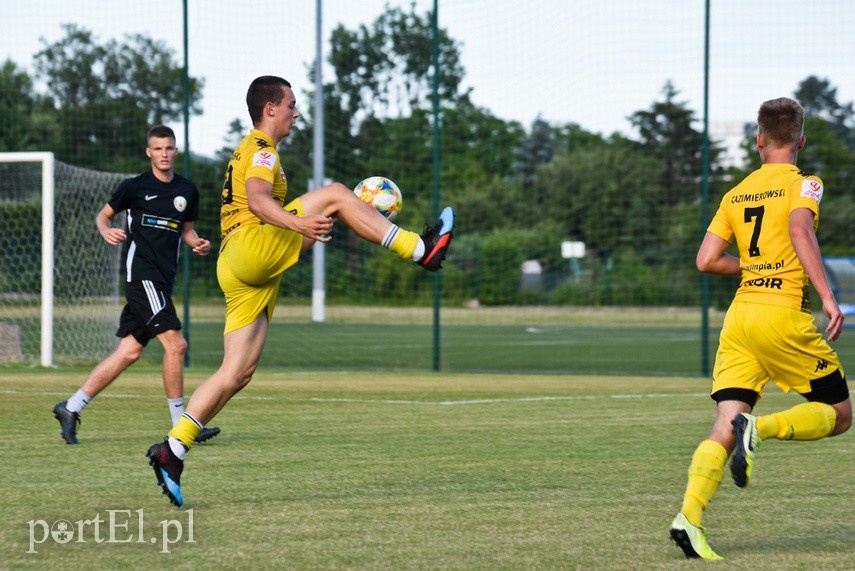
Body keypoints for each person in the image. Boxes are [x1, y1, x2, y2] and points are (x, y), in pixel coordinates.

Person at [146, 75, 455, 507]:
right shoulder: (261, 148)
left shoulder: (257, 150)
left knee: (237, 373)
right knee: (335, 195)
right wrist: (298, 223)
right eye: (291, 103)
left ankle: (172, 450)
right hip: (250, 249)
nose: (296, 110)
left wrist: (300, 225)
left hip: (239, 267)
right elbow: (256, 200)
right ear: (269, 108)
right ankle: (422, 250)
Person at [669, 97, 851, 560]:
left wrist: (753, 266)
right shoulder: (805, 183)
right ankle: (762, 429)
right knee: (840, 414)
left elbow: (706, 260)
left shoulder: (737, 193)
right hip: (781, 314)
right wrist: (828, 295)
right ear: (801, 141)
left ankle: (689, 517)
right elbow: (799, 231)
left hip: (740, 317)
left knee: (723, 422)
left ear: (759, 141)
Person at [52, 124, 221, 445]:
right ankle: (182, 426)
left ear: (175, 150)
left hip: (162, 281)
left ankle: (70, 407)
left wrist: (198, 243)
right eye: (158, 149)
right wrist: (106, 231)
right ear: (149, 152)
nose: (164, 154)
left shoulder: (187, 190)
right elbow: (103, 217)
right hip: (142, 278)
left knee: (128, 352)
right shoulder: (134, 187)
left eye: (169, 148)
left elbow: (186, 231)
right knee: (177, 346)